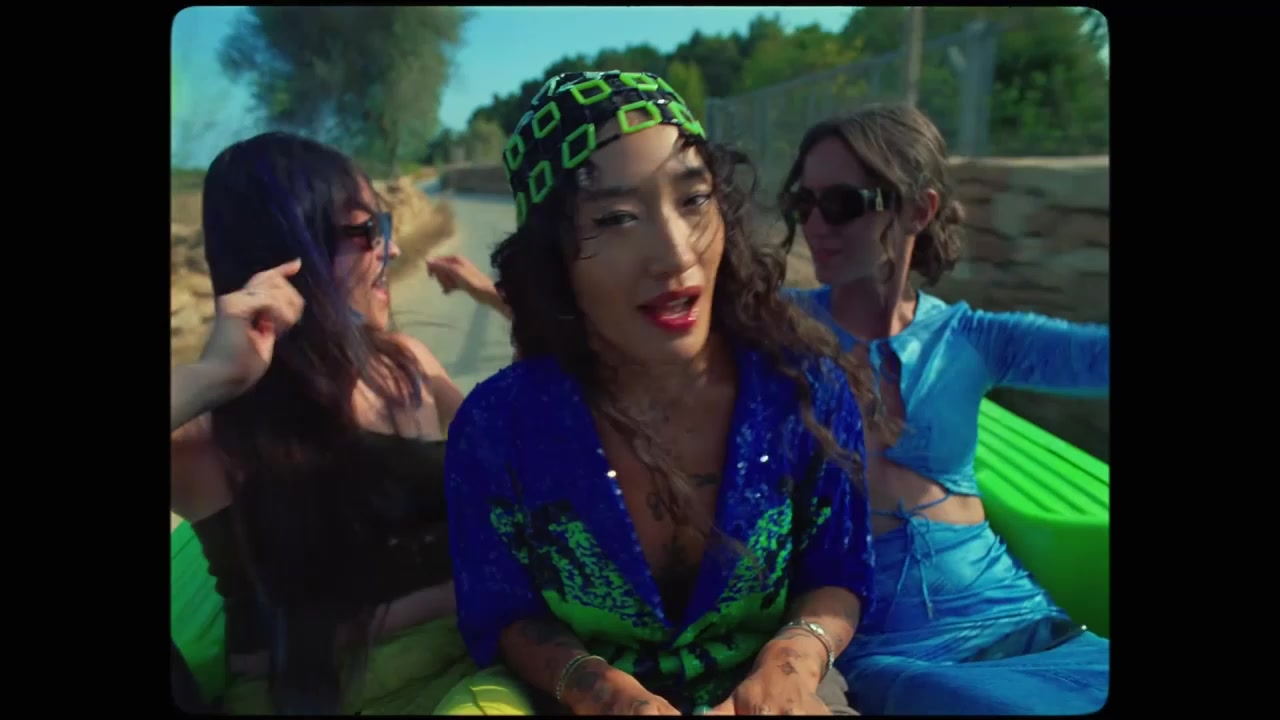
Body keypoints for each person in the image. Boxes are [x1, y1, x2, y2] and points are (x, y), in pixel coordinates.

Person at [439, 70, 888, 717]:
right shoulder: (496, 427)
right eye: (616, 218)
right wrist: (601, 692)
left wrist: (790, 666)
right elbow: (504, 611)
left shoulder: (805, 388)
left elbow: (838, 575)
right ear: (551, 253)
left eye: (694, 199)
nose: (676, 255)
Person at [776, 105, 1109, 714]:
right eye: (804, 203)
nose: (815, 225)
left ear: (918, 210)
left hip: (1021, 617)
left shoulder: (973, 338)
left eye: (843, 203)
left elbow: (1097, 358)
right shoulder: (777, 327)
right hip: (886, 644)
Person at [170, 131, 503, 714]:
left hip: (478, 663)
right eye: (366, 230)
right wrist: (215, 374)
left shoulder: (406, 365)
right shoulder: (214, 432)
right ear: (286, 252)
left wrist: (499, 301)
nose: (391, 250)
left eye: (386, 225)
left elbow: (529, 452)